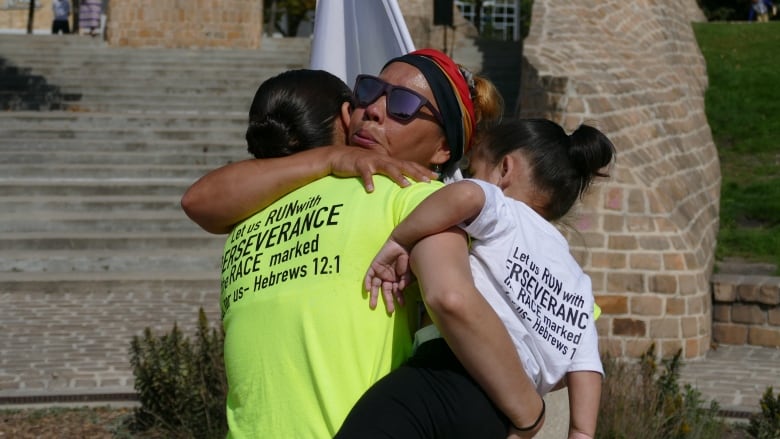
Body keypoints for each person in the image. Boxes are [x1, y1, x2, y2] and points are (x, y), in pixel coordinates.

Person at [188, 51, 542, 437]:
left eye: (404, 106)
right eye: (370, 91)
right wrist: (530, 416)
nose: (374, 110)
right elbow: (196, 200)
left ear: (443, 150)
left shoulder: (417, 199)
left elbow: (451, 299)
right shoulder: (269, 193)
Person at [336, 119, 615, 439]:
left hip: (445, 372)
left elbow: (467, 196)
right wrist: (580, 432)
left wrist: (401, 239)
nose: (470, 177)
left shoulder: (508, 212)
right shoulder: (578, 283)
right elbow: (587, 369)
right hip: (498, 420)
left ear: (505, 169)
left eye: (475, 168)